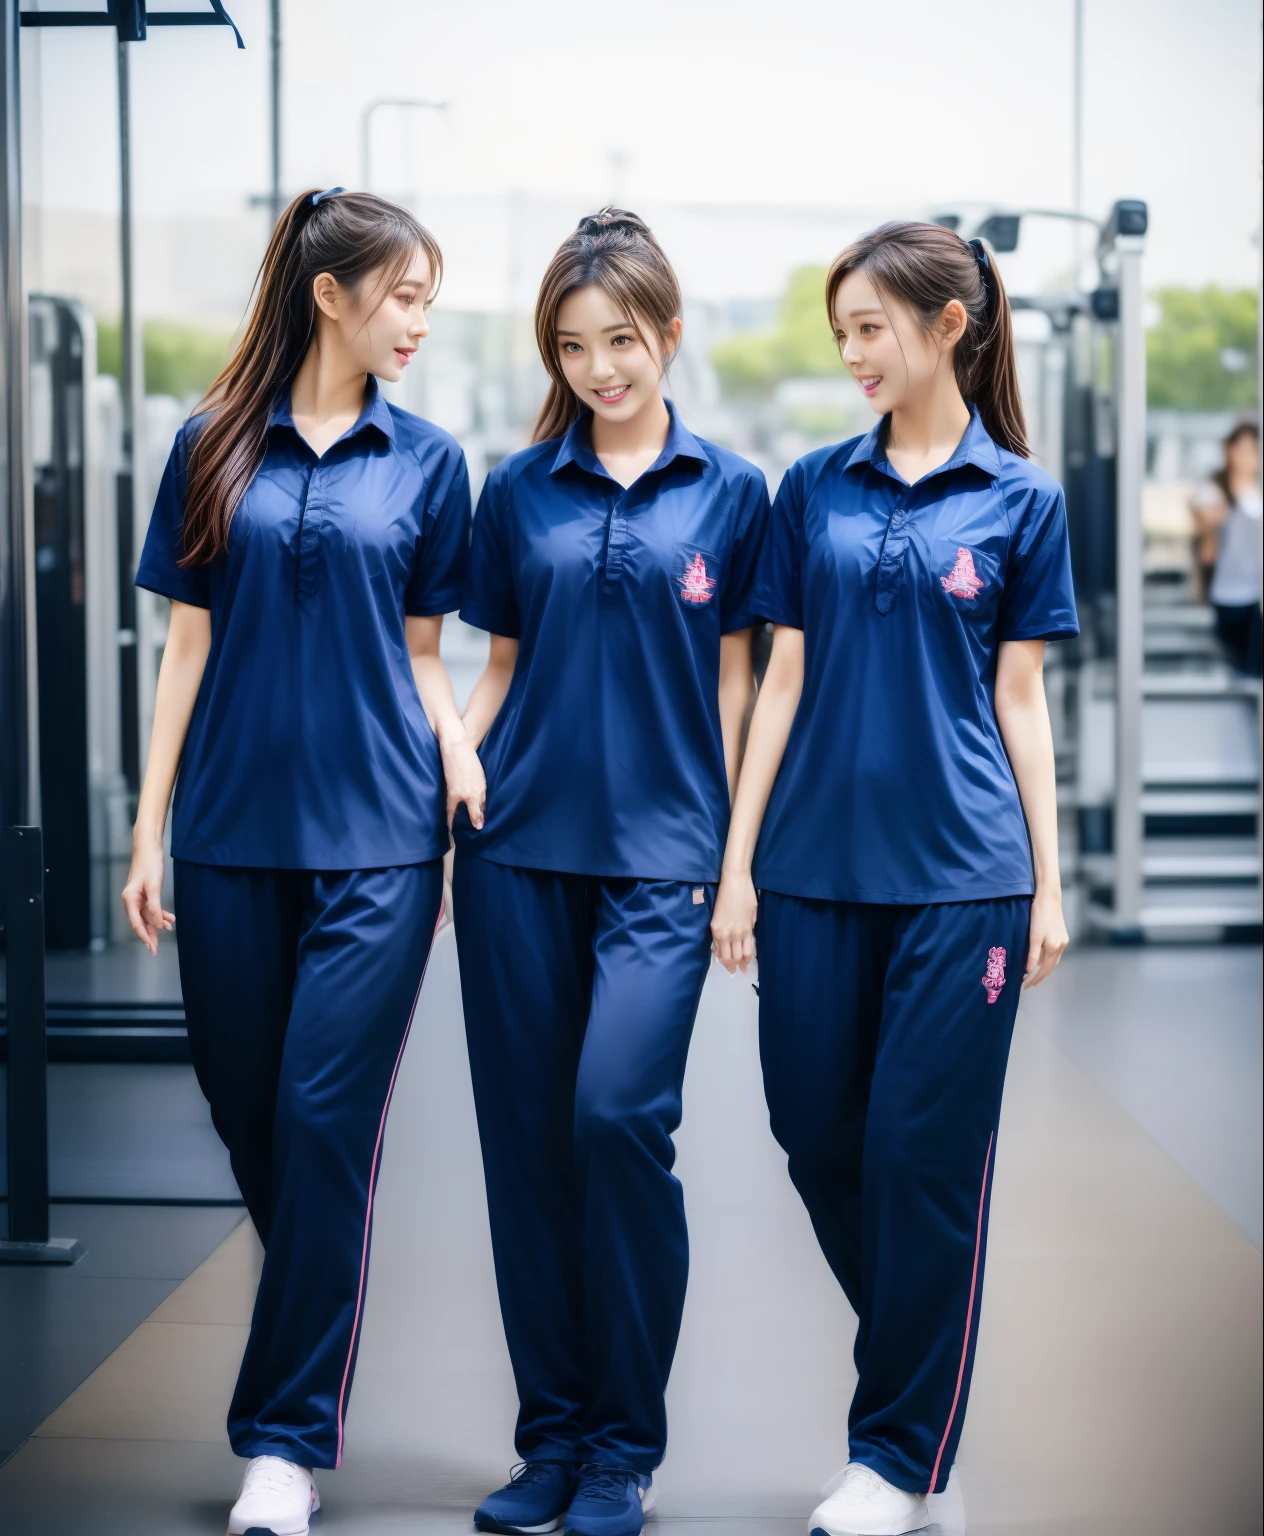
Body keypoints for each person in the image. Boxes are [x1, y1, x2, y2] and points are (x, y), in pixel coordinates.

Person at [121, 189, 482, 1536]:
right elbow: (188, 649)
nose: (419, 322)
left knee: (329, 1125)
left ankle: (283, 1444)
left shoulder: (433, 464)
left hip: (383, 838)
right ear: (331, 295)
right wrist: (147, 827)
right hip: (225, 832)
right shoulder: (208, 446)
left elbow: (424, 651)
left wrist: (457, 752)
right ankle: (315, 1312)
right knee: (251, 1115)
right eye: (402, 295)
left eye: (427, 299)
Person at [710, 222, 1078, 1536]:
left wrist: (1049, 881)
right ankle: (927, 1394)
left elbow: (1021, 702)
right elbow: (780, 680)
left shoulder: (1022, 501)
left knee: (921, 1161)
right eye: (843, 331)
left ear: (948, 326)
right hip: (810, 873)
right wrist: (738, 862)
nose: (854, 352)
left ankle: (896, 1454)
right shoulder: (812, 487)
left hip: (962, 878)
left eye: (871, 326)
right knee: (818, 1140)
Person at [452, 208, 769, 1536]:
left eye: (622, 342)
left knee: (615, 1122)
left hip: (667, 864)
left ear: (669, 334)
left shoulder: (735, 494)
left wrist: (737, 865)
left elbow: (749, 693)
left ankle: (625, 1447)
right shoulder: (517, 489)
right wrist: (450, 767)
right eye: (575, 347)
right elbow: (497, 668)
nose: (600, 369)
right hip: (516, 851)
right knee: (527, 1152)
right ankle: (554, 1441)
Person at [1191, 421, 1261, 675]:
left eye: (1252, 450)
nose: (1247, 458)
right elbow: (1203, 521)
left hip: (1256, 594)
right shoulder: (1215, 492)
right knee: (1240, 667)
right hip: (1230, 594)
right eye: (1240, 449)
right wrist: (1234, 496)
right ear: (1229, 451)